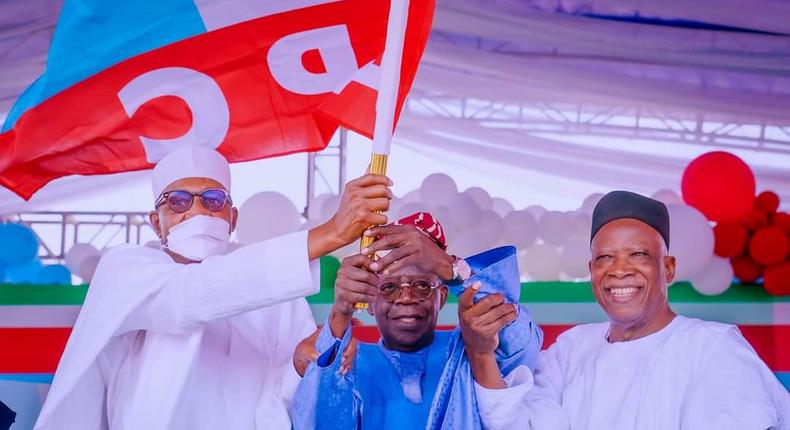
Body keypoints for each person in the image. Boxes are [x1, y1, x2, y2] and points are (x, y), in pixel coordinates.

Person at [35, 145, 393, 430]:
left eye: (213, 200)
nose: (197, 212)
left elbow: (284, 402)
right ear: (156, 223)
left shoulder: (280, 295)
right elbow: (187, 297)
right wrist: (331, 233)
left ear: (232, 217)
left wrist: (300, 363)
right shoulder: (126, 271)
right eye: (177, 201)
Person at [472, 191, 790, 429]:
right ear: (591, 270)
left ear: (667, 268)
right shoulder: (571, 348)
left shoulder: (712, 346)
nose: (619, 270)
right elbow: (520, 423)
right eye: (605, 258)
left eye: (637, 254)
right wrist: (483, 353)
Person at [291, 212, 543, 429]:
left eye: (421, 285)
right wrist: (341, 312)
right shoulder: (351, 362)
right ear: (369, 300)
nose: (406, 298)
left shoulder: (472, 349)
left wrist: (450, 268)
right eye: (389, 287)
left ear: (442, 297)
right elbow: (313, 421)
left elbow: (519, 338)